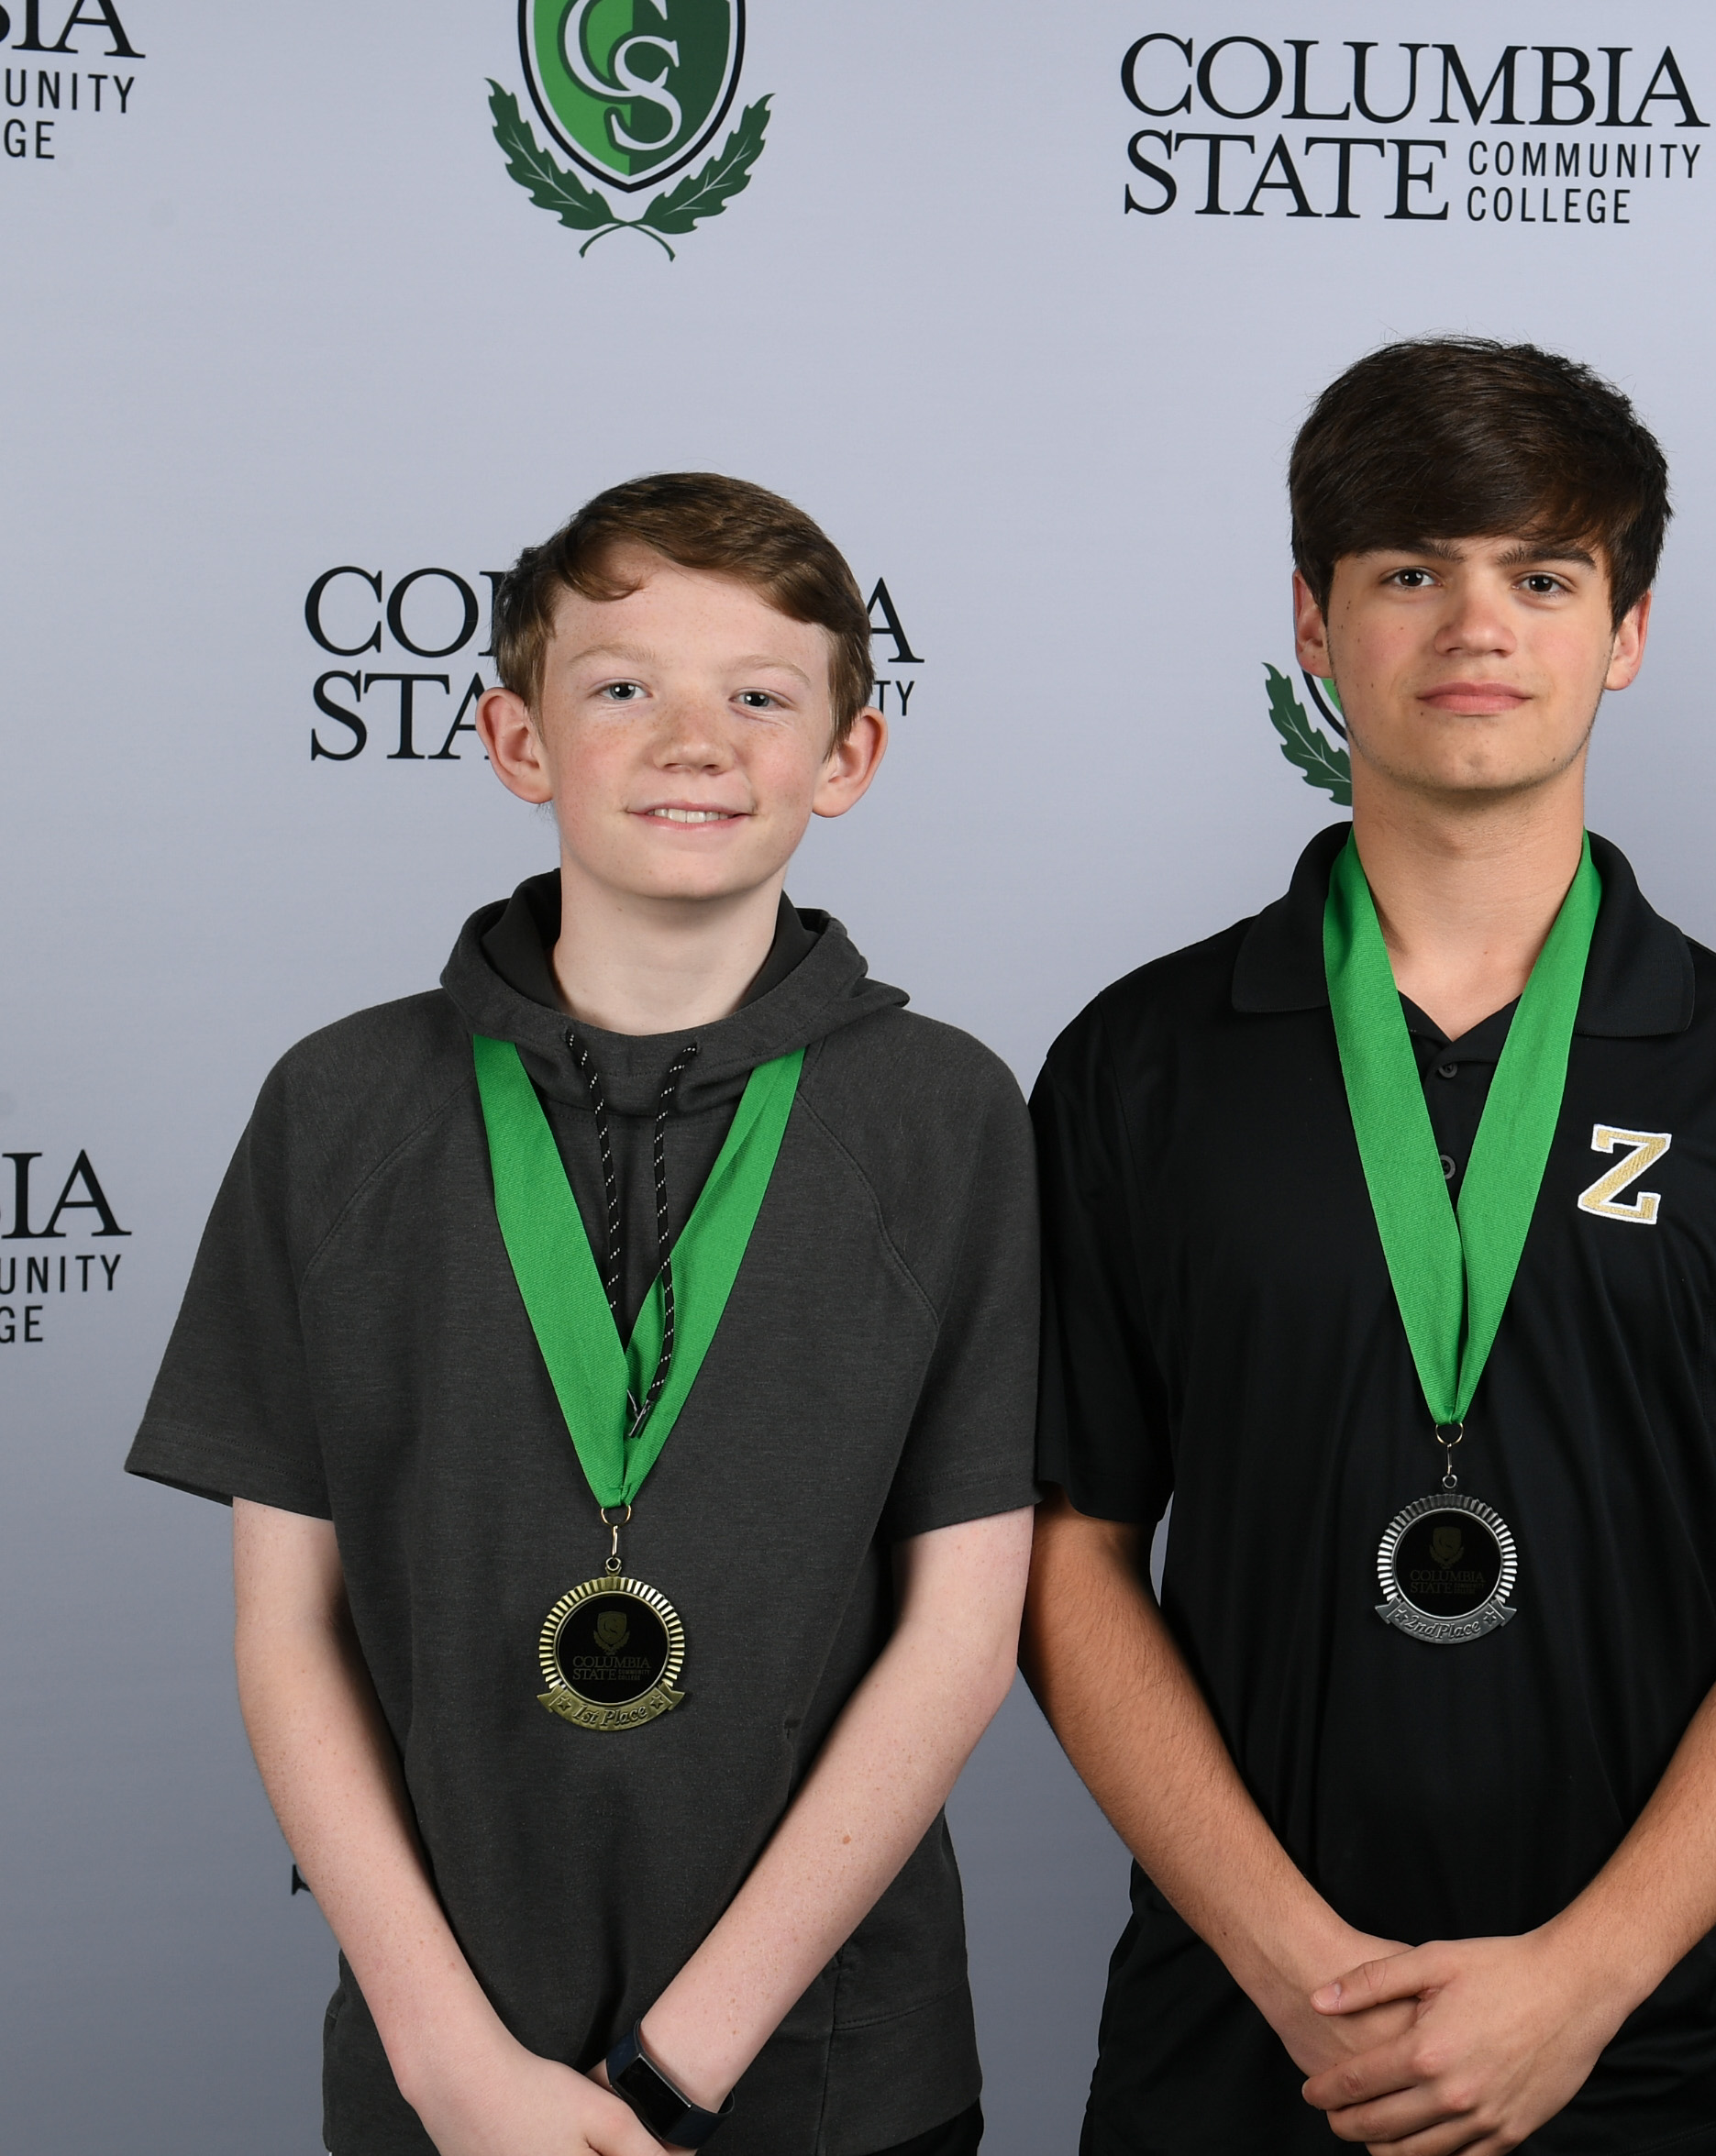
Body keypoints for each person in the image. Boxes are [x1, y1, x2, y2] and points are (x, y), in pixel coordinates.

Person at [1021, 337, 1716, 2156]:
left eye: (1541, 574)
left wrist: (1587, 1978)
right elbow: (1067, 1551)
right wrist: (1296, 1970)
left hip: (1652, 2052)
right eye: (1408, 572)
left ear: (1628, 630)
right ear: (1314, 617)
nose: (1474, 627)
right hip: (1245, 2048)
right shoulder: (1141, 1063)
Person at [127, 473, 1037, 2156]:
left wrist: (675, 2071)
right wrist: (451, 2063)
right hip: (445, 2078)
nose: (694, 740)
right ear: (515, 739)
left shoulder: (948, 1116)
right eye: (621, 686)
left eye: (761, 696)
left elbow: (962, 1641)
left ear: (847, 759)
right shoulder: (338, 1107)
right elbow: (285, 1632)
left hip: (832, 2077)